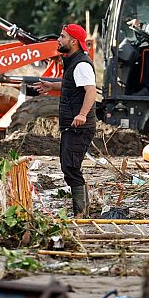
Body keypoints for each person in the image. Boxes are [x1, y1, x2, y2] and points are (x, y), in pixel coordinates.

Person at [56, 23, 97, 216]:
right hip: (72, 125)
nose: (59, 39)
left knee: (71, 167)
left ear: (73, 41)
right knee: (68, 167)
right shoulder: (73, 62)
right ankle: (82, 211)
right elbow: (73, 87)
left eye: (62, 37)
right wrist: (51, 86)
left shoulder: (81, 64)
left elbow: (91, 91)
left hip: (79, 126)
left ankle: (81, 213)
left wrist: (82, 115)